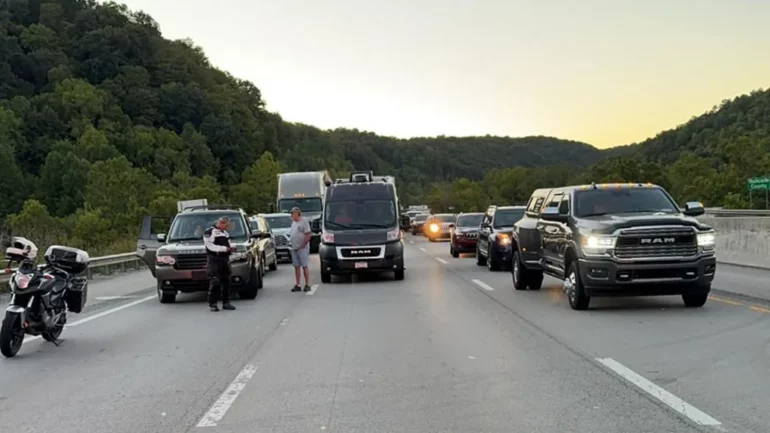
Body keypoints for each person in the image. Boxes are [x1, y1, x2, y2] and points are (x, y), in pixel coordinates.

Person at [204, 216, 237, 312]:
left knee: (226, 280)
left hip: (224, 259)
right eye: (226, 226)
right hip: (214, 259)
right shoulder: (210, 232)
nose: (226, 228)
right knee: (215, 281)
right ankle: (213, 303)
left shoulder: (225, 233)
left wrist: (231, 248)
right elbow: (209, 246)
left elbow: (227, 245)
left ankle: (226, 302)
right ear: (221, 223)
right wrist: (223, 249)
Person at [289, 207, 312, 292]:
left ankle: (307, 284)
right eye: (291, 214)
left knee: (304, 265)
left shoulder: (303, 222)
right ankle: (298, 284)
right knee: (296, 266)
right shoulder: (293, 223)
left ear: (298, 214)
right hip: (294, 247)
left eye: (293, 214)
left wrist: (303, 244)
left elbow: (308, 234)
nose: (292, 215)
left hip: (302, 248)